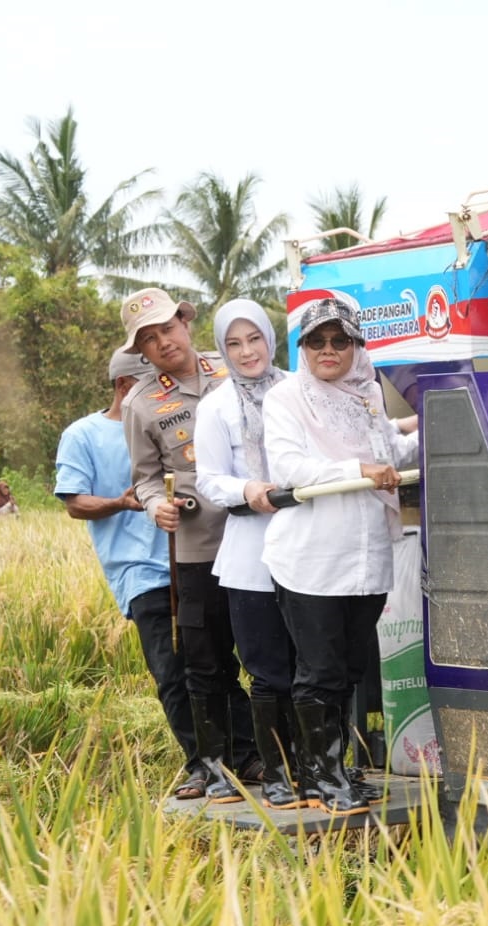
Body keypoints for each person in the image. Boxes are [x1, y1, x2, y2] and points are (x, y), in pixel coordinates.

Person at [262, 297, 419, 817]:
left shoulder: (370, 392)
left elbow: (390, 456)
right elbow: (290, 466)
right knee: (320, 670)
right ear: (302, 347)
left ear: (356, 345)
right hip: (313, 559)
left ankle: (328, 768)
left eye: (340, 341)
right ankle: (323, 778)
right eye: (317, 341)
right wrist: (359, 468)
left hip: (369, 554)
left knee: (350, 668)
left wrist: (434, 426)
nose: (329, 350)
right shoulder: (286, 397)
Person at [120, 286, 255, 804]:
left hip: (261, 539)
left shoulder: (237, 367)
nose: (163, 343)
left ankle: (268, 756)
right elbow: (147, 478)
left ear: (185, 323)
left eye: (167, 329)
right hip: (199, 549)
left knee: (268, 657)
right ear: (142, 352)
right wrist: (156, 506)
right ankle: (214, 764)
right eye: (149, 340)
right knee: (206, 660)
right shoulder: (140, 404)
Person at [55, 347, 199, 793]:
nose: (162, 386)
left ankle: (242, 757)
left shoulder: (171, 418)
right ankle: (201, 763)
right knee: (172, 672)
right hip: (142, 573)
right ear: (124, 386)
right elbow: (75, 502)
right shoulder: (83, 435)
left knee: (212, 667)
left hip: (194, 560)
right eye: (152, 378)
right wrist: (123, 501)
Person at [194, 300, 305, 810]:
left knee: (316, 665)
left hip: (311, 545)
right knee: (267, 670)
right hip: (250, 554)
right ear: (222, 349)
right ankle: (279, 774)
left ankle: (320, 767)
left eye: (254, 339)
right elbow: (209, 480)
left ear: (270, 338)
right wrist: (249, 489)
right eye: (234, 344)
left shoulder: (302, 390)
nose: (246, 352)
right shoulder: (215, 406)